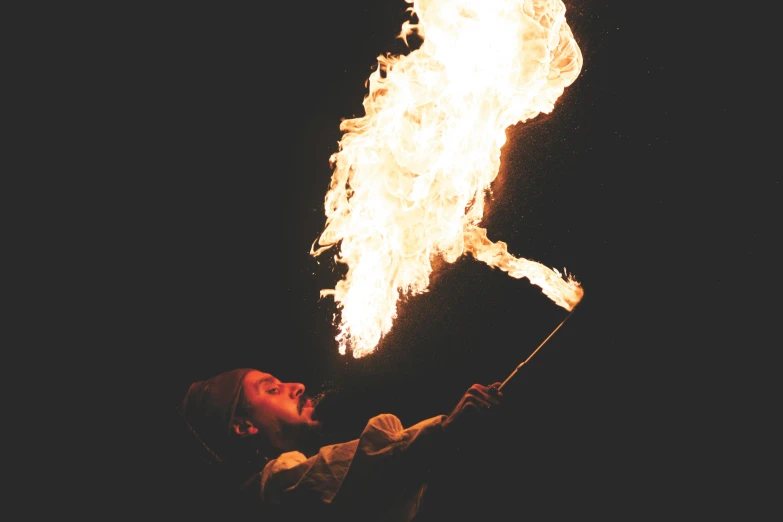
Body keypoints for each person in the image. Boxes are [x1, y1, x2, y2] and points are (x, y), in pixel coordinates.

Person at [174, 367, 504, 522]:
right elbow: (367, 468)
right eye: (272, 389)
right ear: (243, 426)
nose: (298, 385)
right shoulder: (270, 489)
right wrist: (446, 431)